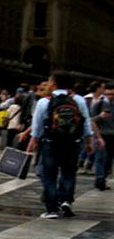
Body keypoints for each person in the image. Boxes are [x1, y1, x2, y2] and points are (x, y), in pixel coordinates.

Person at [26, 72, 99, 218]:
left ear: (53, 83)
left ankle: (51, 209)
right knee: (68, 172)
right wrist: (89, 141)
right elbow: (85, 122)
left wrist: (33, 141)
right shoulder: (78, 100)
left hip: (51, 143)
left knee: (49, 174)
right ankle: (66, 200)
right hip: (73, 143)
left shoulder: (44, 101)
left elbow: (37, 125)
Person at [91, 81, 114, 192]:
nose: (110, 97)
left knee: (108, 160)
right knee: (100, 158)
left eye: (112, 94)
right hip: (101, 135)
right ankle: (100, 180)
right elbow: (92, 121)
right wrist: (100, 117)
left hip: (112, 136)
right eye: (108, 94)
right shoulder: (99, 104)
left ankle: (102, 179)